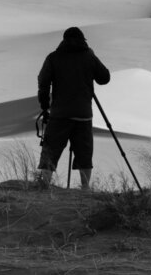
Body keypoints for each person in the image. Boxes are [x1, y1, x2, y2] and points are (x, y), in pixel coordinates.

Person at [36, 27, 110, 189]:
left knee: (51, 150)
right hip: (83, 115)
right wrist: (90, 61)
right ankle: (85, 190)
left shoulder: (54, 58)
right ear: (83, 40)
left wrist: (44, 105)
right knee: (84, 154)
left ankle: (44, 186)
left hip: (59, 115)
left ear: (63, 40)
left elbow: (43, 82)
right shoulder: (88, 56)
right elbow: (104, 78)